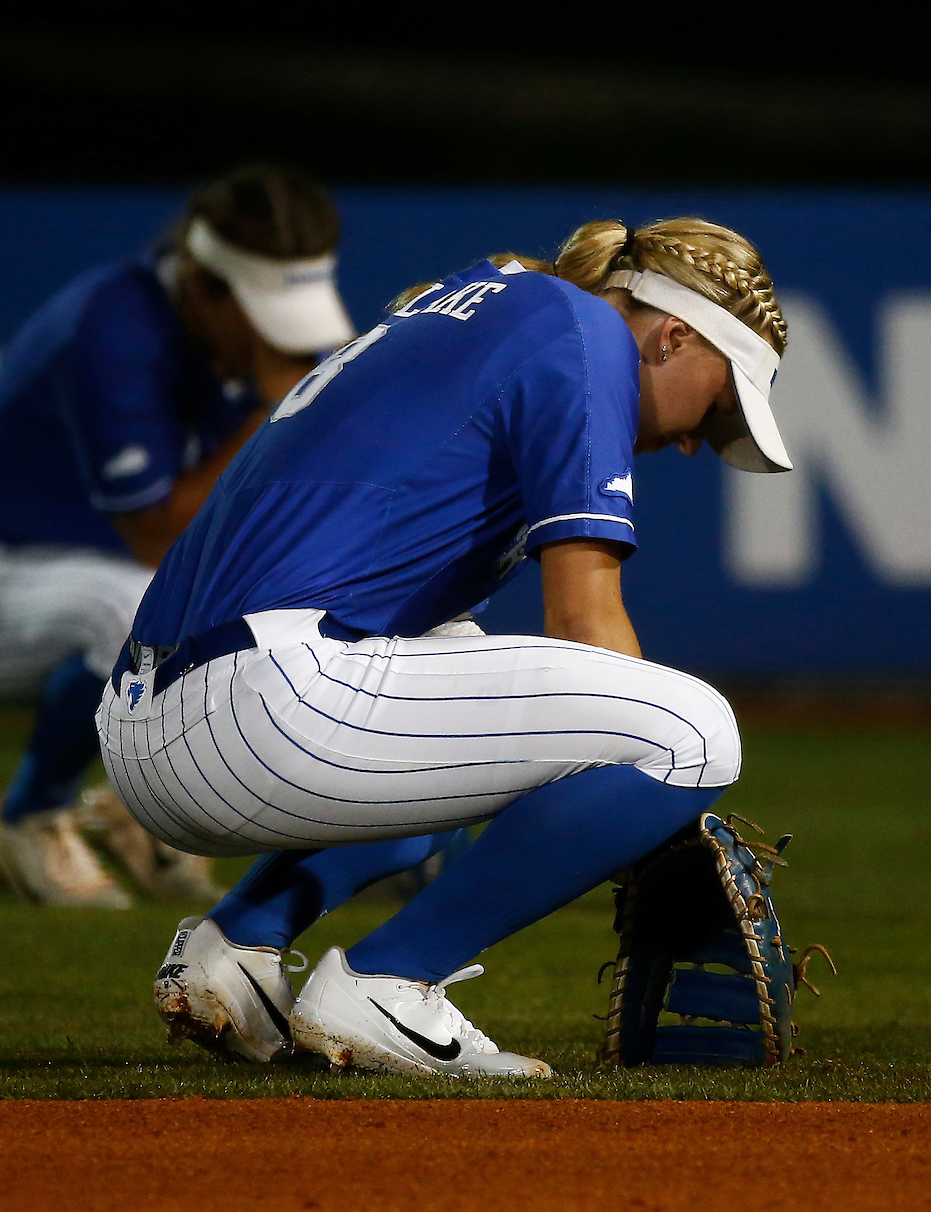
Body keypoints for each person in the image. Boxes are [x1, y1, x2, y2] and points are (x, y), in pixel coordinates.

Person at [101, 215, 790, 1077]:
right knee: (691, 735)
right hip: (263, 710)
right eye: (719, 405)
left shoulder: (489, 301)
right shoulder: (590, 339)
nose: (695, 440)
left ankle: (237, 949)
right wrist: (652, 821)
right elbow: (587, 627)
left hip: (147, 718)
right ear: (675, 335)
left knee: (472, 691)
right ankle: (392, 982)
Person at [0, 164, 359, 909]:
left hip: (84, 573)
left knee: (269, 614)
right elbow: (153, 534)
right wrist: (276, 415)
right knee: (137, 610)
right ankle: (29, 815)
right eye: (263, 314)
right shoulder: (113, 328)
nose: (284, 344)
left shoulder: (231, 337)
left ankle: (147, 809)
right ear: (207, 289)